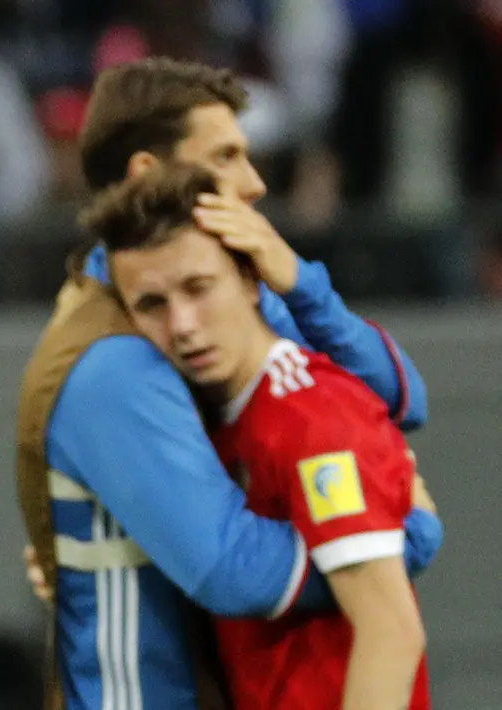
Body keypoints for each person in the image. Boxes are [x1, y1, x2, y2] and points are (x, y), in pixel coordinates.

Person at [14, 57, 442, 709]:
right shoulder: (114, 359)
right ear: (149, 176)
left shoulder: (219, 315)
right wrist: (399, 534)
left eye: (200, 289)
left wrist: (301, 283)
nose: (253, 182)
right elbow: (232, 572)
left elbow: (391, 399)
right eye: (225, 157)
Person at [91, 163, 431, 709]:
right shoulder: (204, 418)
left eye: (198, 289)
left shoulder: (314, 417)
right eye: (152, 305)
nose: (182, 324)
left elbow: (392, 632)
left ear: (250, 282)